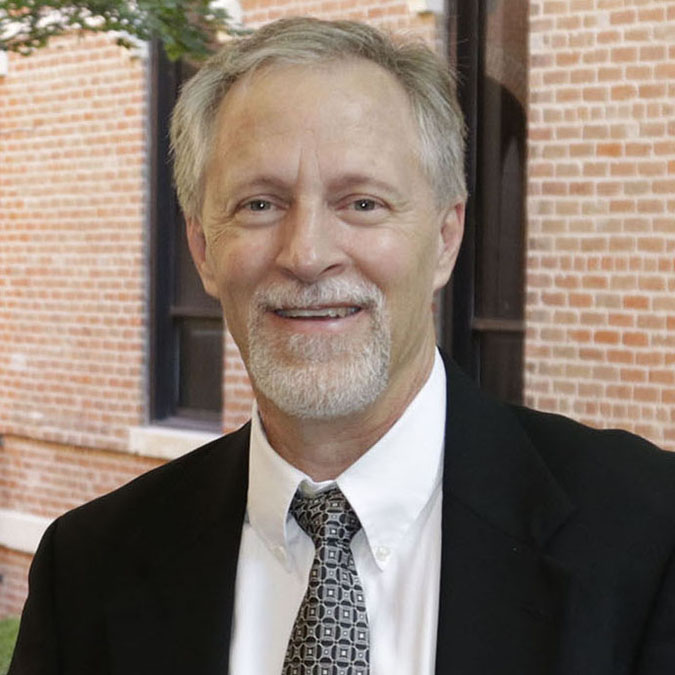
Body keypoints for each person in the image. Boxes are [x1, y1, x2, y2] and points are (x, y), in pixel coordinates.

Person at [9, 17, 675, 675]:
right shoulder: (90, 568)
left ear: (445, 238)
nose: (307, 255)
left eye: (362, 203)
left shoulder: (649, 536)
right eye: (259, 205)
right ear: (202, 249)